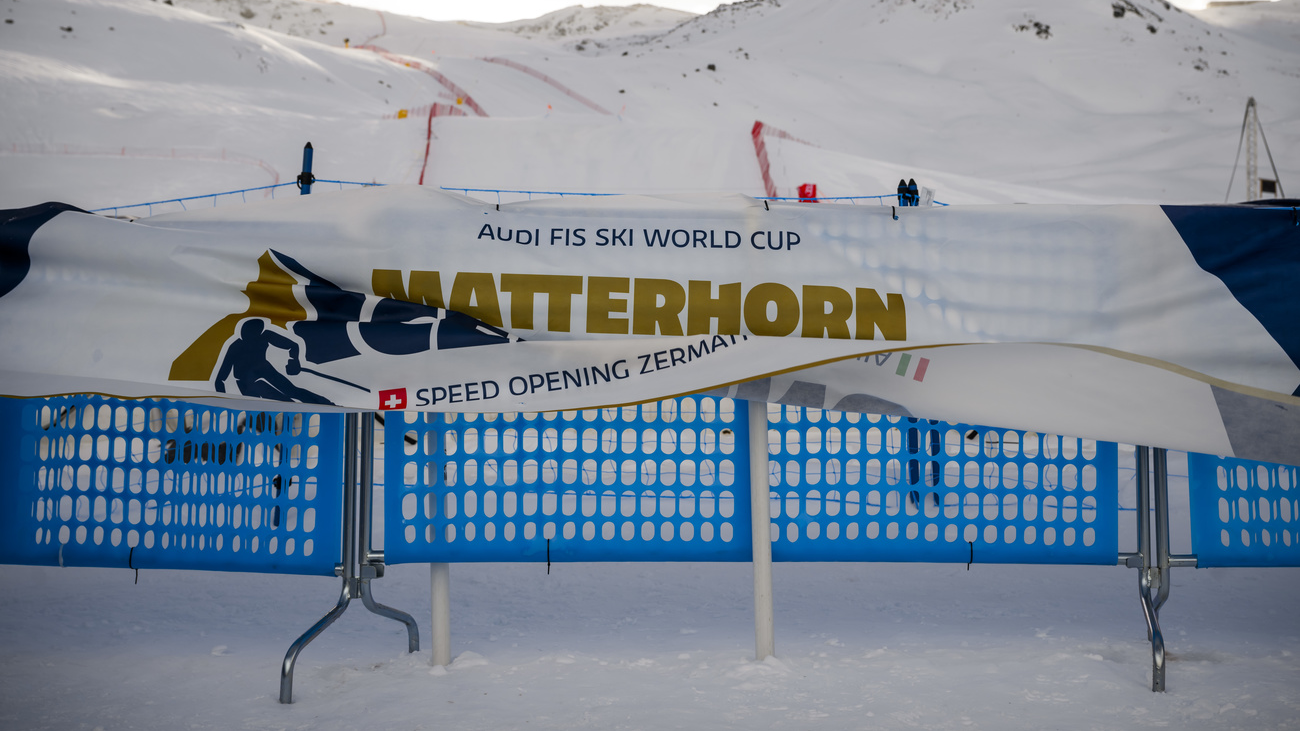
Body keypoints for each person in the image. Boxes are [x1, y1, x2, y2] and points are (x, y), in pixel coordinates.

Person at [214, 318, 330, 404]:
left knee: (292, 392)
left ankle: (324, 404)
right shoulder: (236, 346)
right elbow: (220, 379)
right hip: (246, 380)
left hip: (266, 371)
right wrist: (224, 403)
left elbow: (293, 345)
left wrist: (294, 361)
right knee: (264, 404)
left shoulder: (264, 336)